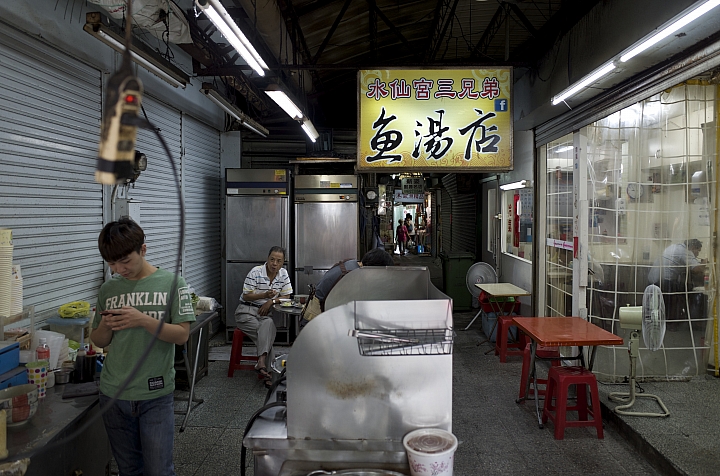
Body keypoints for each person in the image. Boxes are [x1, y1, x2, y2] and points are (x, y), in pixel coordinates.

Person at [92, 218, 195, 476]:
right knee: (128, 470)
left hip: (155, 394)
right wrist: (105, 325)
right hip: (114, 393)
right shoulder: (108, 289)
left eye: (125, 261)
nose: (119, 269)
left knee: (160, 470)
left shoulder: (173, 284)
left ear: (143, 250)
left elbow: (182, 335)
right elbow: (100, 340)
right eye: (112, 263)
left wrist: (143, 320)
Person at [234, 246, 292, 388]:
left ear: (283, 262)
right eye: (272, 259)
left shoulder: (283, 274)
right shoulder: (256, 272)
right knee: (266, 334)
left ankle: (262, 363)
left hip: (264, 314)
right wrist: (264, 295)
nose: (274, 264)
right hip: (245, 311)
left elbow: (287, 295)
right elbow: (246, 295)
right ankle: (271, 374)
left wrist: (270, 301)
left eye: (279, 261)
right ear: (267, 259)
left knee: (268, 325)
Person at [299, 248, 395, 329]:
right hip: (316, 322)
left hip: (322, 317)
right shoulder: (352, 275)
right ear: (374, 268)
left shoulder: (353, 264)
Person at [648, 239, 706, 326]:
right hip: (665, 280)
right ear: (693, 247)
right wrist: (705, 263)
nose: (698, 253)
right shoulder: (686, 252)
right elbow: (696, 269)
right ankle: (677, 323)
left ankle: (668, 321)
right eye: (698, 250)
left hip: (654, 278)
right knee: (685, 295)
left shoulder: (675, 246)